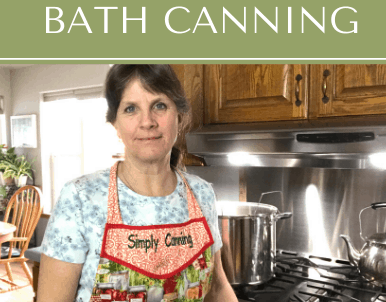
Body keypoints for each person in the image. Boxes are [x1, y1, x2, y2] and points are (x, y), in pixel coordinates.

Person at [37, 64, 238, 302]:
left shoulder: (202, 193)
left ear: (179, 116)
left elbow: (218, 289)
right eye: (131, 109)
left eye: (159, 106)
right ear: (116, 125)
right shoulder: (80, 198)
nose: (147, 121)